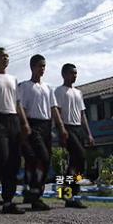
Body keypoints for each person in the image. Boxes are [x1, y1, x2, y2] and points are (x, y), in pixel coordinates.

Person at [0, 48, 31, 214]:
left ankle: (8, 201)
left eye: (7, 56)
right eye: (3, 56)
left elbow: (17, 104)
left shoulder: (13, 79)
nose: (6, 59)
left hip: (13, 120)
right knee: (1, 156)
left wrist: (24, 123)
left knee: (14, 161)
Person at [19, 54, 68, 211]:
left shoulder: (48, 88)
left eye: (44, 66)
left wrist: (61, 128)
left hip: (46, 126)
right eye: (40, 66)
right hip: (32, 124)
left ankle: (33, 192)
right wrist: (25, 125)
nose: (42, 69)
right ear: (32, 67)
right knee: (42, 157)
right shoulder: (25, 86)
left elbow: (54, 109)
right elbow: (21, 108)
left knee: (43, 160)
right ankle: (35, 194)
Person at [55, 63, 94, 208]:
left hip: (78, 129)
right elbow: (57, 112)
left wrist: (89, 134)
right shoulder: (59, 91)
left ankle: (70, 195)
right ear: (64, 74)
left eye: (76, 73)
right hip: (67, 127)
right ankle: (67, 193)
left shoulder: (78, 92)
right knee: (79, 155)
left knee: (77, 163)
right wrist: (61, 131)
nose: (75, 76)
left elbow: (83, 114)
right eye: (72, 73)